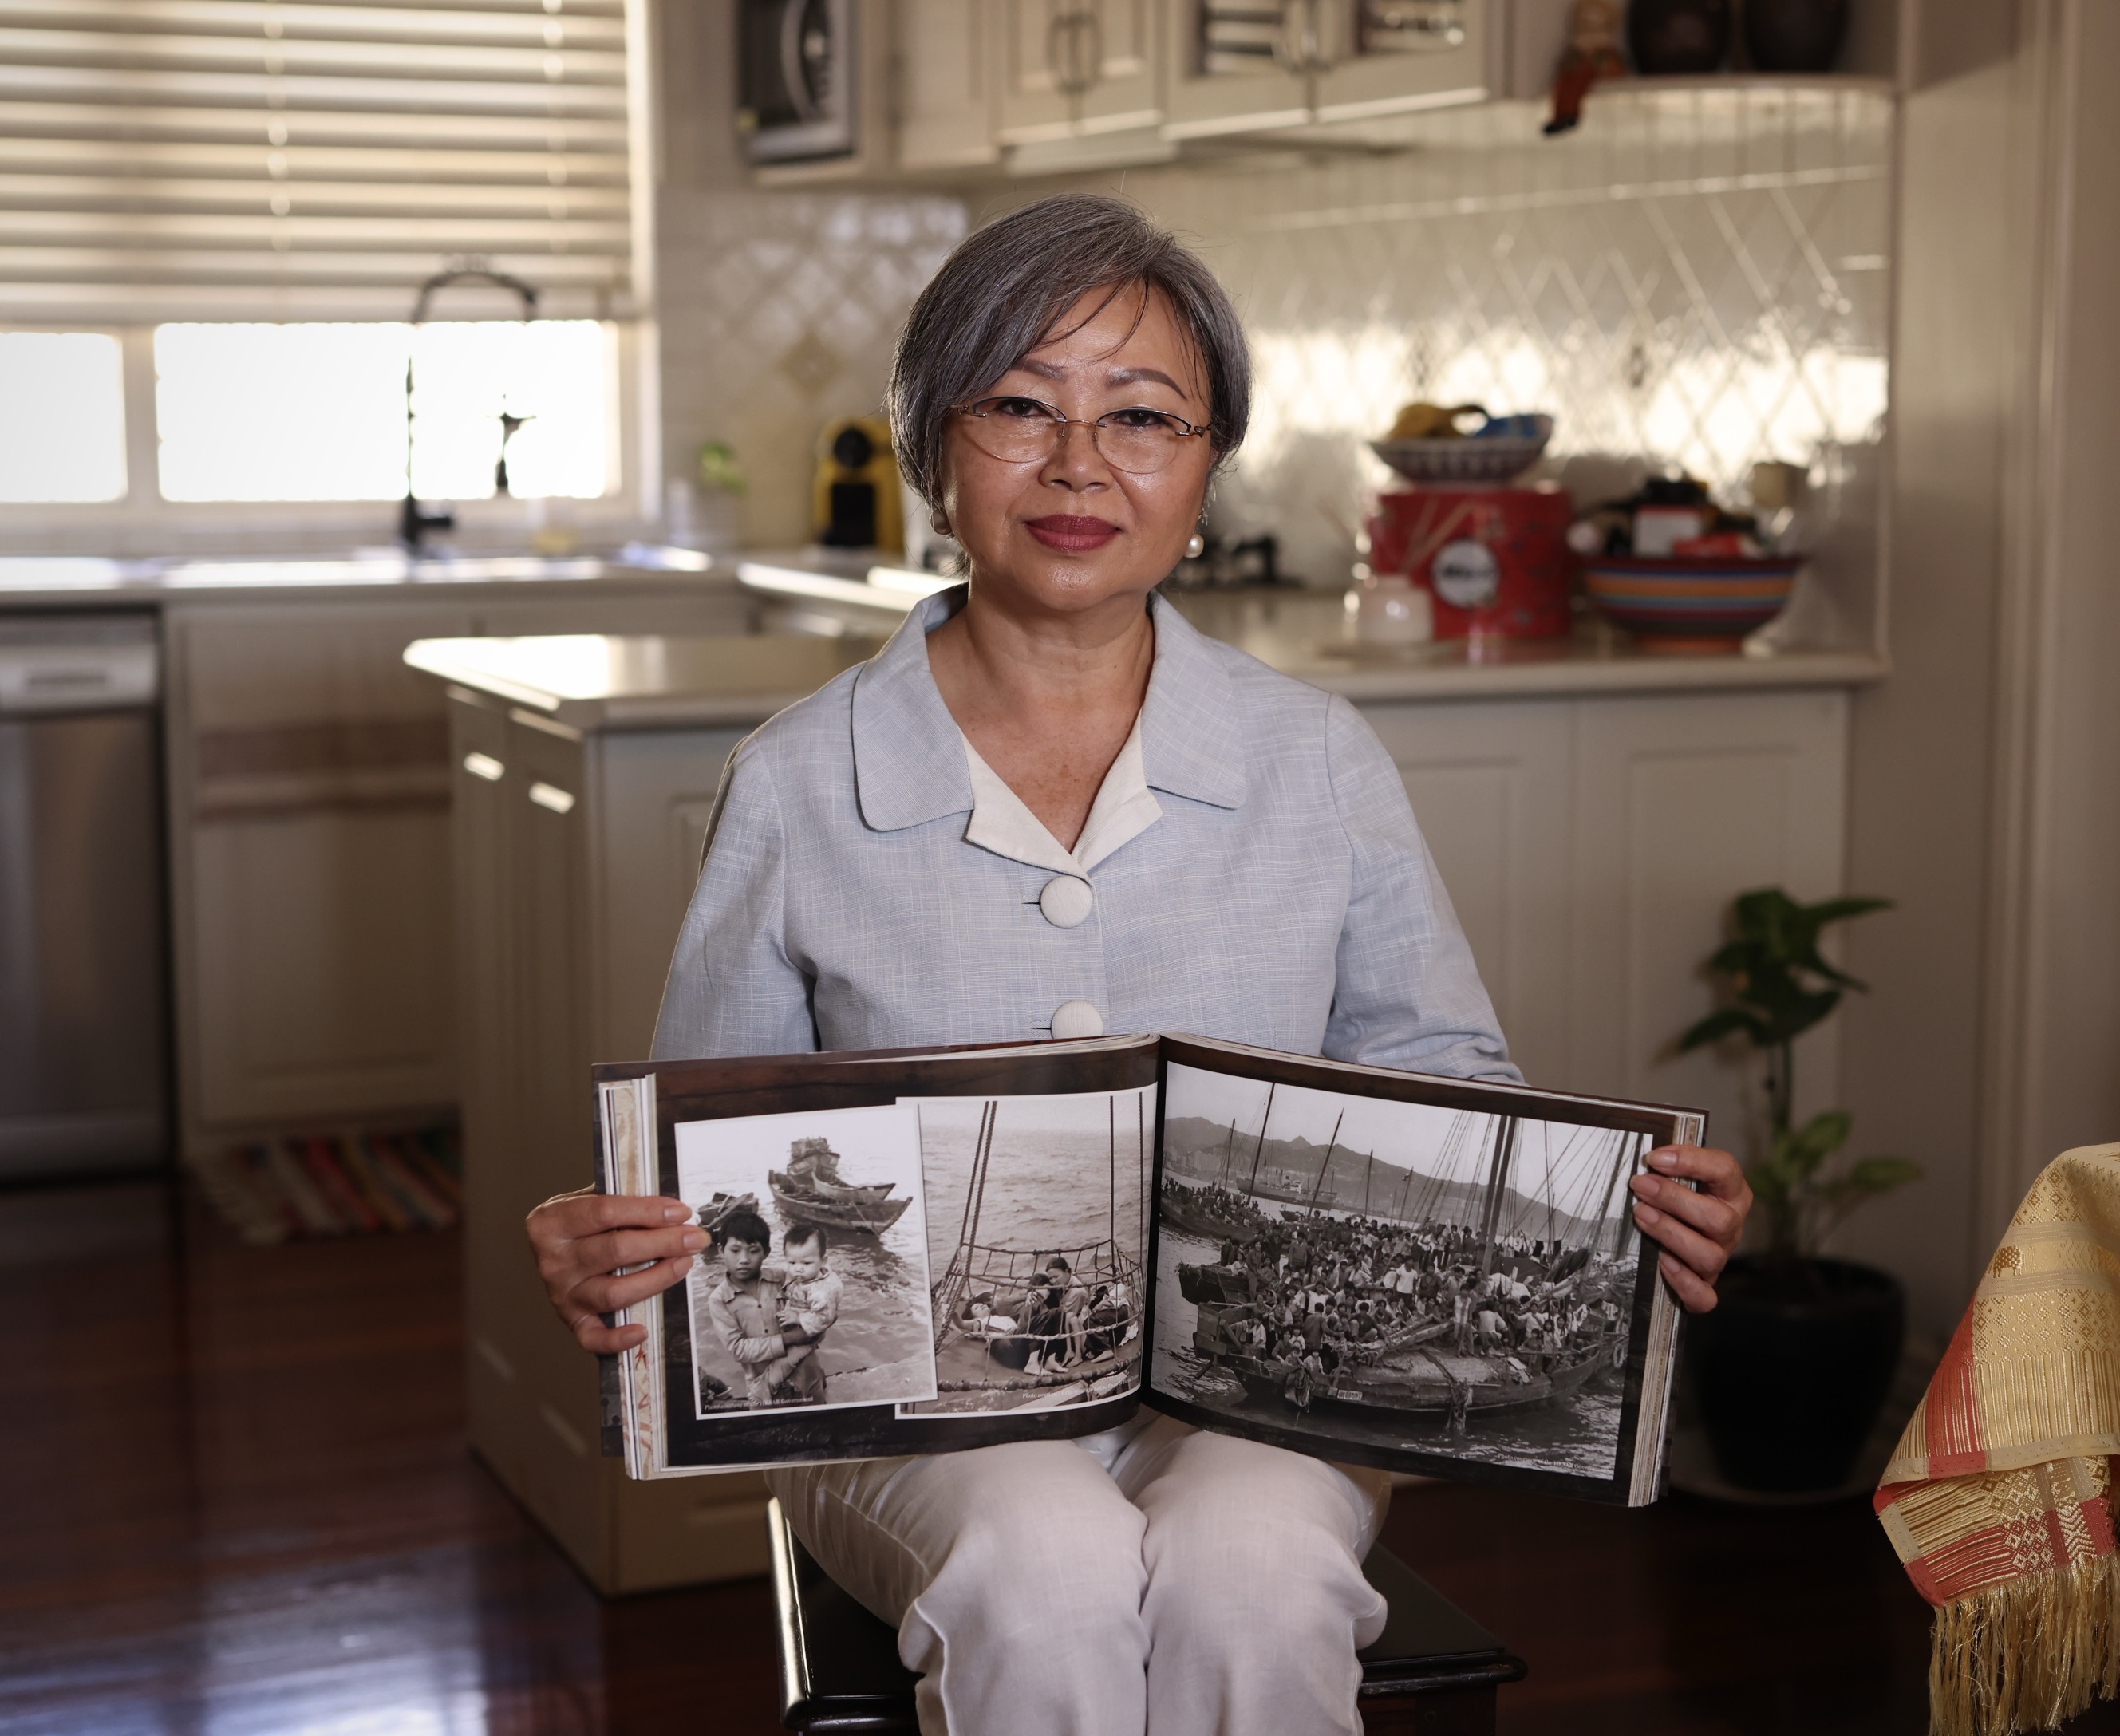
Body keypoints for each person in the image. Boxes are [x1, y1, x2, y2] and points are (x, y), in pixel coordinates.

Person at [522, 191, 1751, 1736]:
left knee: (1256, 1566)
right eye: (1020, 406)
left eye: (1145, 416)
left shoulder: (1318, 758)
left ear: (1209, 458)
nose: (1080, 463)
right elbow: (712, 1150)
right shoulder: (798, 777)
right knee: (1044, 1562)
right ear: (933, 446)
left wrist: (1634, 1205)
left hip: (1252, 1401)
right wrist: (613, 1234)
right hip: (907, 1409)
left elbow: (1447, 1083)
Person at [702, 1208, 795, 1406]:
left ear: (766, 1252)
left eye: (753, 1251)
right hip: (761, 1388)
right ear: (721, 1250)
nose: (744, 1259)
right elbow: (738, 1349)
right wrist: (788, 1339)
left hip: (802, 1374)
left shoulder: (782, 1279)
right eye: (735, 1251)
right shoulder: (719, 1300)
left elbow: (812, 1306)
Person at [768, 1221, 842, 1404]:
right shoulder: (807, 1275)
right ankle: (818, 1380)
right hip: (803, 1316)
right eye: (792, 1262)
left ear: (823, 1261)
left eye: (807, 1263)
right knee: (808, 1362)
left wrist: (799, 1318)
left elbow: (825, 1317)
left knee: (797, 1363)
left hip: (810, 1327)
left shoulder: (820, 1291)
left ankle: (814, 1398)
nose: (798, 1269)